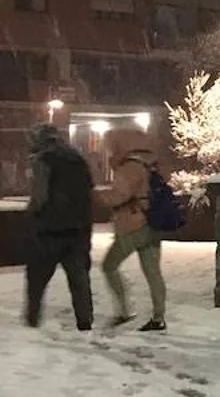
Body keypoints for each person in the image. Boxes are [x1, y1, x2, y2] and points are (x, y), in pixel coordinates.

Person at [93, 128, 166, 332]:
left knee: (109, 265)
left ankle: (124, 311)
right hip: (152, 224)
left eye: (110, 145)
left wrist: (96, 196)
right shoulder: (150, 163)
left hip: (133, 225)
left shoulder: (130, 167)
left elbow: (119, 195)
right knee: (153, 273)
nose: (108, 150)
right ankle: (159, 317)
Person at [25, 124, 94, 331]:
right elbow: (89, 191)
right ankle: (85, 320)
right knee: (79, 278)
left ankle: (32, 319)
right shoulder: (78, 159)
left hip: (49, 230)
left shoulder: (42, 160)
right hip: (78, 229)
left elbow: (40, 196)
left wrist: (32, 216)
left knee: (37, 277)